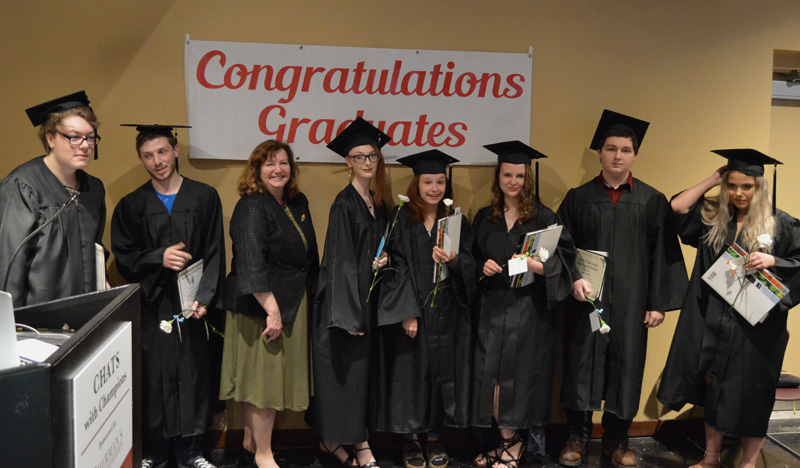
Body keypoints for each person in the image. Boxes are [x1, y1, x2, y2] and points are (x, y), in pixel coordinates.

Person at [556, 110, 687, 468]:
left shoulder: (651, 199)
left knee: (626, 367)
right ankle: (577, 437)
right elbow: (560, 248)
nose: (617, 156)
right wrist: (572, 282)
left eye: (625, 150)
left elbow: (663, 252)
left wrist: (658, 303)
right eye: (611, 148)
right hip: (587, 301)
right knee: (581, 366)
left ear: (635, 155)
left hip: (631, 303)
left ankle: (618, 441)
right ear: (599, 152)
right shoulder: (578, 198)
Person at [657, 150, 800, 468]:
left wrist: (773, 260)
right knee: (715, 388)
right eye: (732, 185)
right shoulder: (714, 220)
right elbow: (678, 207)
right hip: (714, 319)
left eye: (746, 186)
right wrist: (712, 178)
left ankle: (748, 463)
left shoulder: (783, 224)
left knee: (754, 394)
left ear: (760, 186)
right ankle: (711, 459)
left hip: (758, 327)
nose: (737, 193)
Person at [111, 124, 225, 468]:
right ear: (141, 160)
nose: (157, 161)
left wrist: (205, 297)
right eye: (148, 155)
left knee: (194, 372)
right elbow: (125, 256)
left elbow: (217, 251)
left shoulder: (204, 197)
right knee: (156, 375)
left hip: (193, 304)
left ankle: (193, 451)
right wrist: (156, 257)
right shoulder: (131, 205)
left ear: (175, 151)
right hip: (154, 301)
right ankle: (156, 452)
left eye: (162, 152)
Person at [471, 141, 576, 468]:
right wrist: (481, 267)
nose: (513, 181)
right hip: (492, 308)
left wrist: (534, 265)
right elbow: (469, 258)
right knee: (493, 378)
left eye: (519, 175)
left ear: (527, 178)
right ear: (498, 176)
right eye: (507, 174)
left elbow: (564, 265)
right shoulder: (485, 217)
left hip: (529, 311)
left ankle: (513, 445)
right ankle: (504, 441)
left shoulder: (544, 218)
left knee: (519, 377)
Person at [372, 150, 477, 468]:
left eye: (440, 181)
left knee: (438, 376)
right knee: (410, 375)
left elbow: (470, 263)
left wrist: (455, 261)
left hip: (448, 314)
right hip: (413, 314)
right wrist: (406, 312)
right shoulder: (401, 219)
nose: (434, 188)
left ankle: (433, 438)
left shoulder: (456, 221)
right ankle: (408, 441)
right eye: (428, 181)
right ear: (417, 184)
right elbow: (395, 269)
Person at [220, 140, 319, 468]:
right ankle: (264, 454)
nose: (278, 170)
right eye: (269, 164)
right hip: (261, 307)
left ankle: (251, 442)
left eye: (283, 163)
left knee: (265, 379)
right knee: (263, 382)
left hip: (290, 301)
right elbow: (250, 262)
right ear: (256, 171)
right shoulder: (251, 206)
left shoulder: (296, 201)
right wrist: (273, 311)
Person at [311, 117, 389, 468]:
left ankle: (335, 443)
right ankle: (356, 444)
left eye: (372, 156)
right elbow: (339, 261)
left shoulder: (375, 202)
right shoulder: (344, 204)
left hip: (366, 302)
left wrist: (383, 258)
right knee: (345, 378)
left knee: (360, 378)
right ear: (347, 162)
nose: (367, 162)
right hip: (345, 307)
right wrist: (346, 315)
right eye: (359, 157)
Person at [0, 91, 106, 307]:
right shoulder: (23, 186)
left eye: (90, 137)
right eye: (74, 137)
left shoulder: (93, 188)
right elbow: (10, 265)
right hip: (37, 317)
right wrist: (15, 324)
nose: (85, 145)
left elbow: (96, 247)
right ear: (50, 139)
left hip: (84, 310)